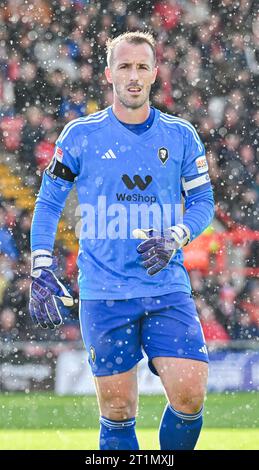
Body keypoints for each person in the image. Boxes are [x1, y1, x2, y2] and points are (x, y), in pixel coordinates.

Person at [29, 31, 214, 450]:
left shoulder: (181, 135)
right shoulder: (80, 135)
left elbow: (203, 198)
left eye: (142, 67)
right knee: (117, 411)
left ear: (154, 74)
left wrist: (177, 235)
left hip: (165, 285)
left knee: (189, 395)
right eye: (125, 66)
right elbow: (48, 202)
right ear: (109, 73)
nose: (133, 76)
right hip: (104, 291)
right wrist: (41, 264)